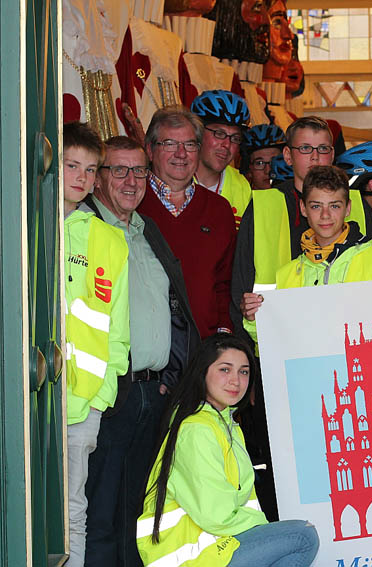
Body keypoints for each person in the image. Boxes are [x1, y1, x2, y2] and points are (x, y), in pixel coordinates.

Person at [83, 135, 201, 567]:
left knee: (138, 515)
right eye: (119, 170)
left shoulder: (146, 229)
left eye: (138, 171)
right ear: (98, 177)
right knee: (99, 517)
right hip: (110, 395)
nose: (131, 181)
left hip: (152, 396)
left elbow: (175, 310)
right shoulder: (85, 230)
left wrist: (172, 380)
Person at [136, 334, 320, 567]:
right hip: (192, 556)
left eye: (243, 372)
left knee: (296, 538)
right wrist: (265, 526)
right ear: (202, 372)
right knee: (301, 536)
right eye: (225, 369)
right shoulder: (197, 429)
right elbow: (216, 515)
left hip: (217, 545)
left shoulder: (225, 425)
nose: (236, 380)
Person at [62, 122, 131, 567]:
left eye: (90, 170)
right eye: (72, 165)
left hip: (82, 401)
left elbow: (118, 330)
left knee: (73, 511)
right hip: (27, 390)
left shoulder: (109, 238)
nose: (82, 178)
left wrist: (100, 398)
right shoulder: (24, 222)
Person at [240, 166, 372, 331]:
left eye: (334, 206)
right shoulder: (287, 275)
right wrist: (255, 319)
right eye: (316, 206)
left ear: (348, 208)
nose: (325, 215)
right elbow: (278, 341)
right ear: (303, 208)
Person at [138, 105, 237, 339]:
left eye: (190, 145)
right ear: (150, 150)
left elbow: (225, 283)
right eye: (170, 144)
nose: (181, 154)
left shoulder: (219, 209)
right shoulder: (133, 203)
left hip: (203, 350)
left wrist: (222, 336)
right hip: (147, 350)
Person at [190, 90, 253, 227]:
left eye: (235, 138)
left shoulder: (242, 185)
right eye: (219, 134)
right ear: (197, 132)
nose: (227, 144)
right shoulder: (174, 178)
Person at [241, 124, 287, 191]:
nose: (268, 171)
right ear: (249, 170)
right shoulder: (240, 199)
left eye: (274, 162)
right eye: (259, 163)